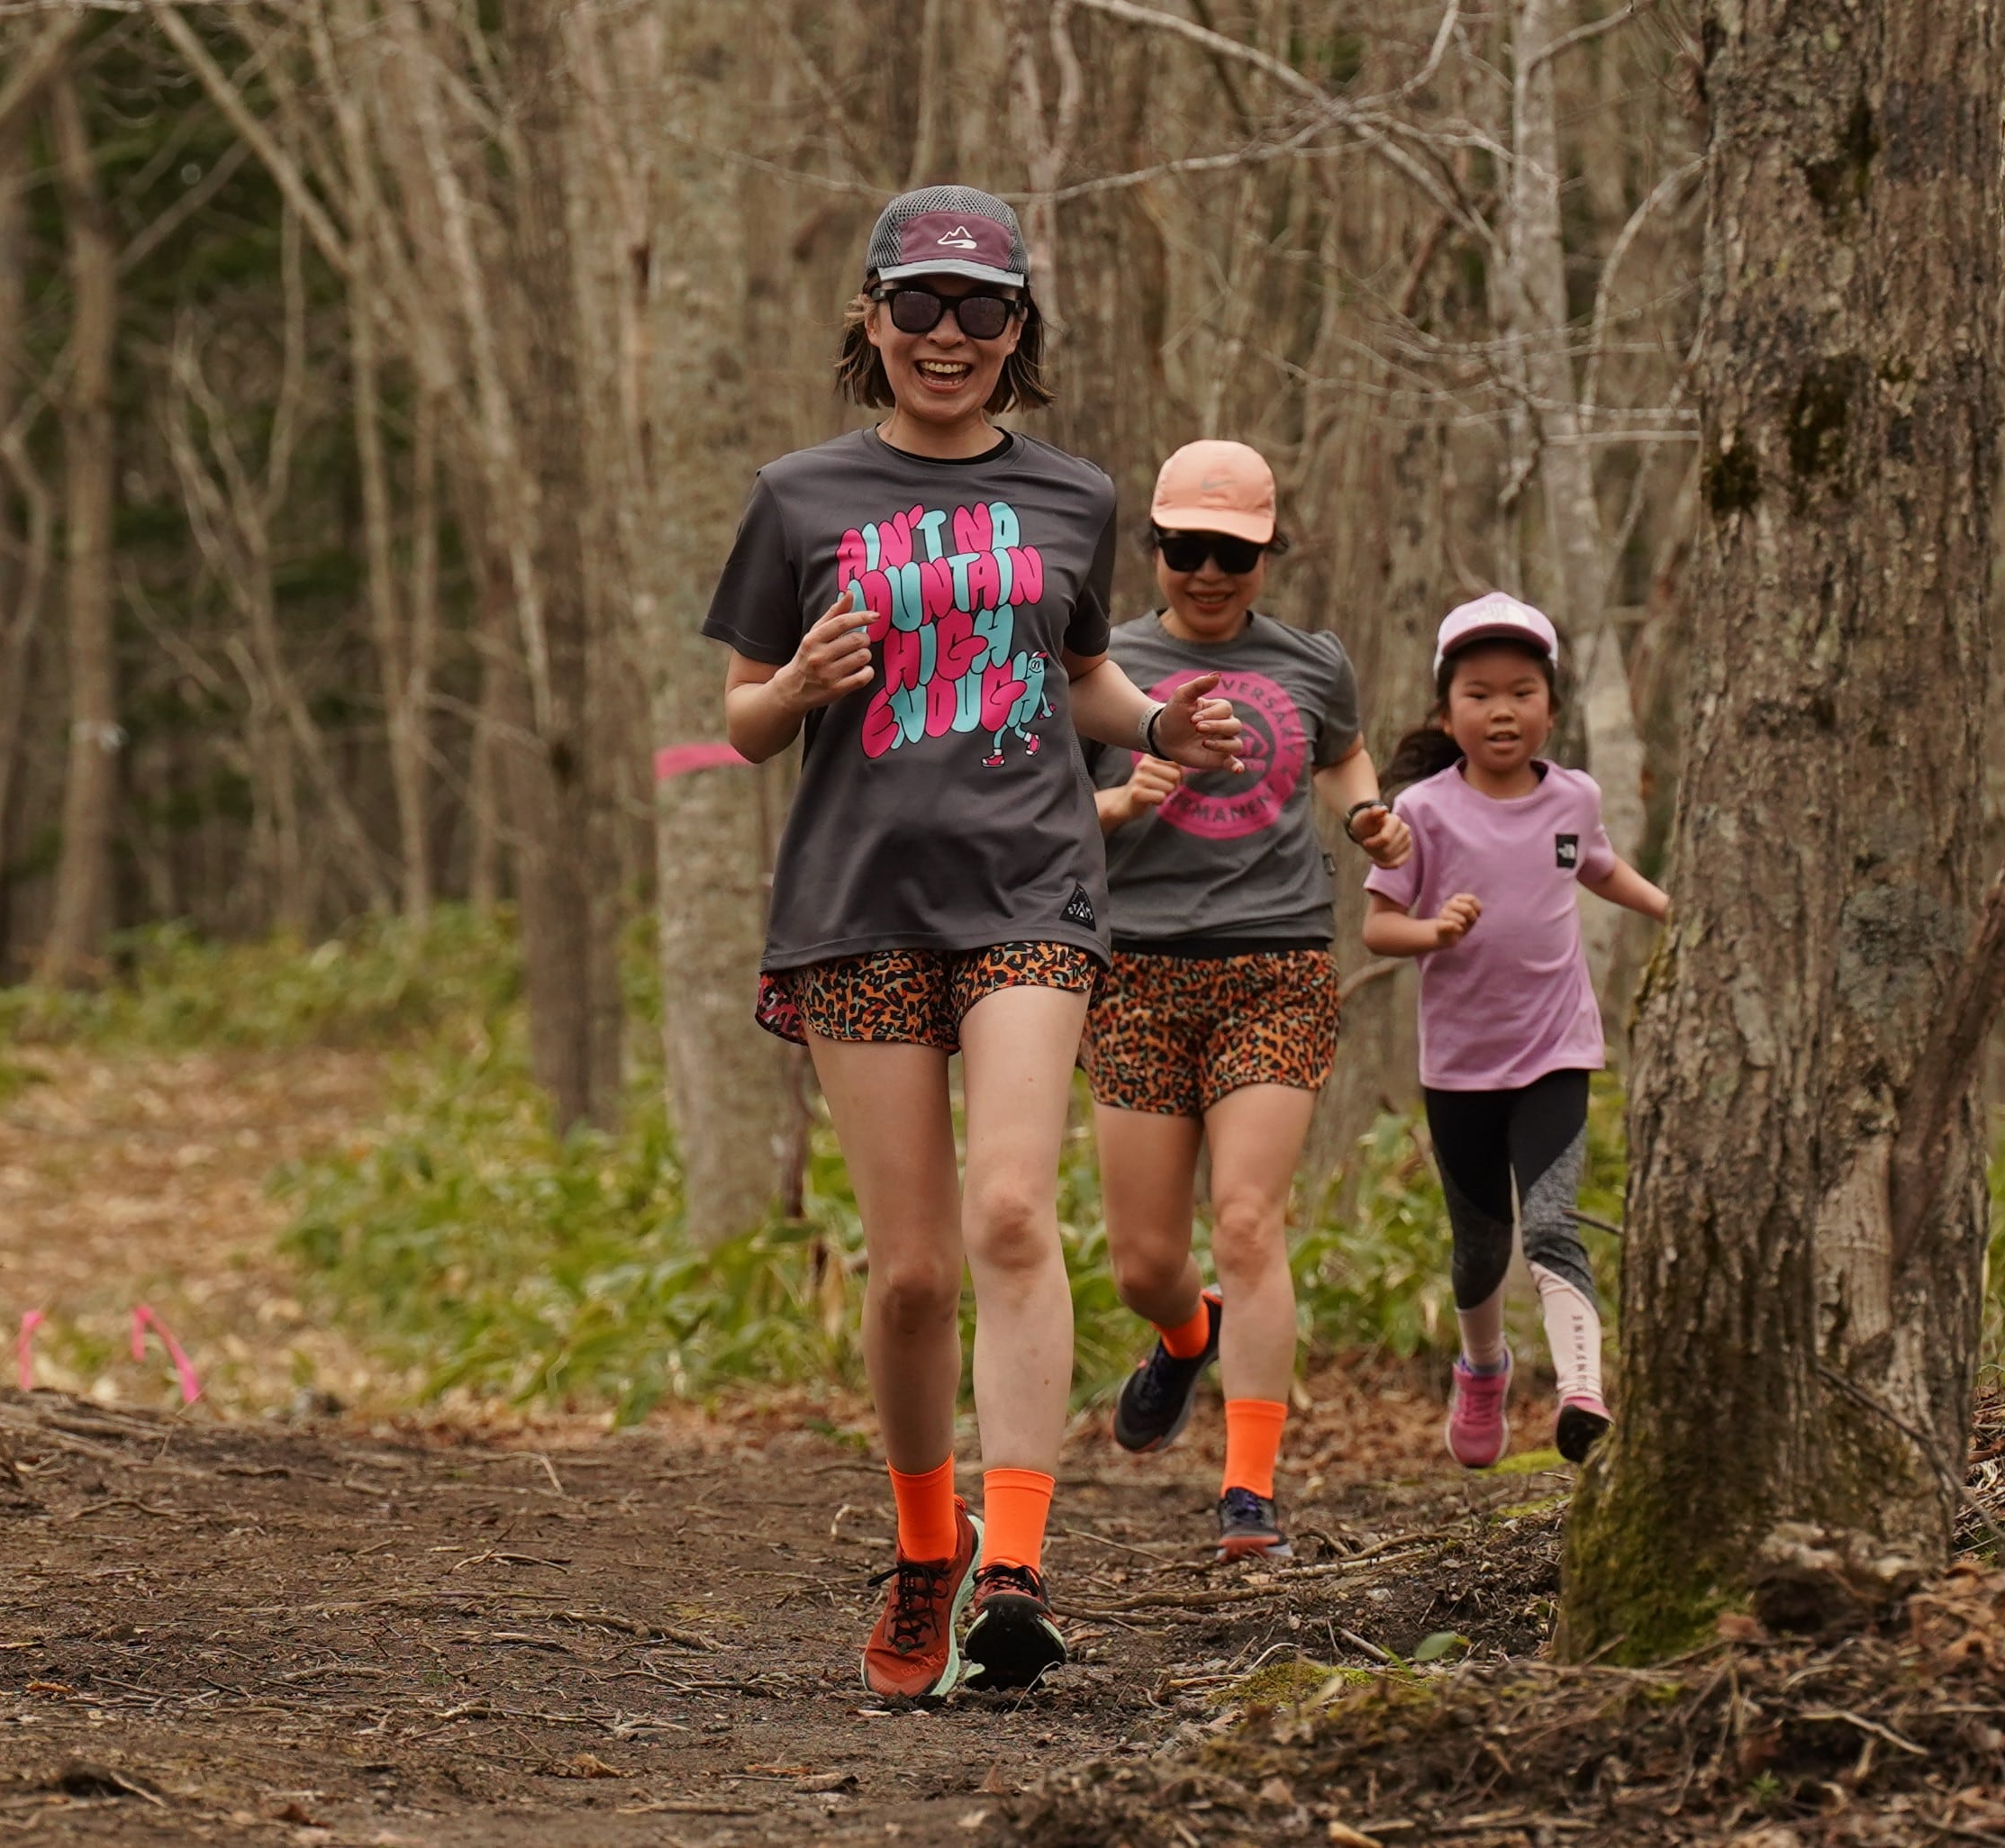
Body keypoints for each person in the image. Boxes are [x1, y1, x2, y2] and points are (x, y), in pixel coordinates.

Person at [703, 186, 1244, 1700]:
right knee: (912, 1274)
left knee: (1012, 1209)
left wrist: (1166, 724)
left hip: (1030, 884)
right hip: (855, 901)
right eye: (918, 307)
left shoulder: (1071, 496)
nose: (947, 338)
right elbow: (740, 725)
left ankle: (1014, 1566)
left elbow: (1084, 687)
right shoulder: (798, 496)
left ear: (1019, 334)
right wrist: (799, 678)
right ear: (869, 322)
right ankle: (923, 1546)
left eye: (979, 311)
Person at [1083, 439, 1411, 1563]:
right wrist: (1126, 802)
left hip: (1276, 963)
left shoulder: (1311, 662)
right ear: (1158, 549)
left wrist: (1367, 817)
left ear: (1268, 555)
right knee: (1141, 1262)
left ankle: (1249, 1493)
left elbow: (1347, 756)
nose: (1210, 573)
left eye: (1235, 554)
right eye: (1187, 550)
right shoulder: (1103, 664)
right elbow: (1043, 819)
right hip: (1134, 972)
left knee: (1247, 1221)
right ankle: (1187, 1335)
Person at [1359, 593, 1669, 1470]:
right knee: (1479, 1251)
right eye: (1480, 693)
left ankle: (1583, 1394)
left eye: (1522, 691)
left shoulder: (1574, 797)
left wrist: (1672, 909)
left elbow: (1601, 867)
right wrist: (1434, 932)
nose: (1502, 711)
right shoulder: (1422, 811)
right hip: (1459, 1067)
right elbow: (1381, 928)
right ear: (1448, 711)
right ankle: (1484, 1369)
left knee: (1552, 1225)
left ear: (1551, 708)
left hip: (1555, 1050)